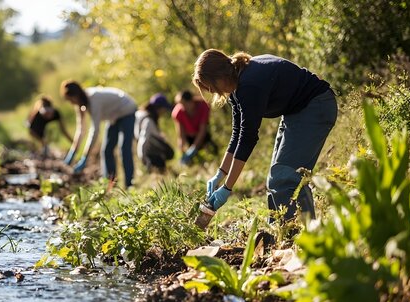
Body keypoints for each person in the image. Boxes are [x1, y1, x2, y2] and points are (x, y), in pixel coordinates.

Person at [193, 49, 337, 221]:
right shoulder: (238, 84)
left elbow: (248, 137)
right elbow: (238, 132)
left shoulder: (249, 85)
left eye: (210, 87)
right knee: (276, 179)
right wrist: (220, 174)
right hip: (296, 112)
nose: (213, 92)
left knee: (284, 178)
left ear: (219, 77)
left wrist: (227, 187)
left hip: (315, 107)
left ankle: (302, 236)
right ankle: (281, 230)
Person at [61, 80, 137, 188]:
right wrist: (72, 152)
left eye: (71, 100)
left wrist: (85, 157)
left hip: (126, 110)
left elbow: (94, 130)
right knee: (106, 150)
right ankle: (110, 185)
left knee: (124, 148)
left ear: (76, 95)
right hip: (113, 116)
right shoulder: (81, 105)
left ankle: (129, 184)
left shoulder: (93, 99)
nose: (71, 103)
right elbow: (81, 130)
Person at [171, 90, 219, 165]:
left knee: (213, 150)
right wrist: (182, 150)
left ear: (191, 101)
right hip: (189, 137)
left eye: (184, 104)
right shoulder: (178, 112)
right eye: (181, 104)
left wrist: (194, 148)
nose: (182, 107)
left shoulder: (203, 106)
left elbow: (202, 130)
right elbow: (181, 134)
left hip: (202, 135)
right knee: (193, 161)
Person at [134, 93, 175, 172]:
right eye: (164, 108)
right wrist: (143, 158)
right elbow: (143, 139)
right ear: (158, 108)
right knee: (169, 152)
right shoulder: (149, 120)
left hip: (145, 145)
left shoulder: (142, 113)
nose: (165, 111)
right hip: (146, 150)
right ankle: (152, 165)